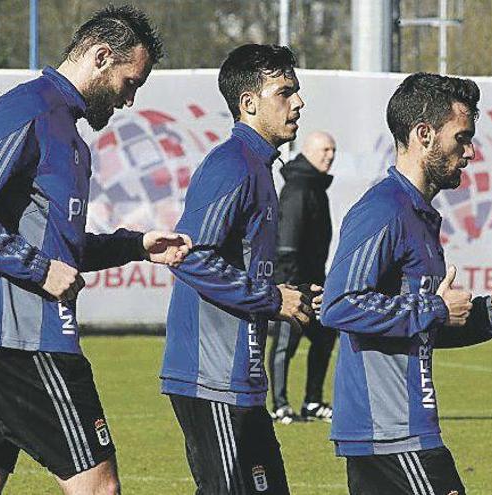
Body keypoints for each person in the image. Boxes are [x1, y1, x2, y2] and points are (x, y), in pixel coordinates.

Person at [0, 6, 190, 494]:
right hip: (29, 340)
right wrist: (36, 269)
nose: (130, 100)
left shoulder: (68, 133)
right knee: (98, 486)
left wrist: (136, 246)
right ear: (100, 56)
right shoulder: (29, 109)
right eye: (130, 82)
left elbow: (59, 250)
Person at [320, 73, 492, 495]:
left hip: (401, 430)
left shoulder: (418, 214)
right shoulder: (383, 209)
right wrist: (436, 308)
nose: (470, 151)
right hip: (390, 432)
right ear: (424, 134)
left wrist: (488, 314)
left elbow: (416, 329)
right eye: (462, 137)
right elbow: (339, 305)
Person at [161, 44, 313, 495]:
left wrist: (284, 293)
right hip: (210, 380)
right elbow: (189, 257)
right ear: (248, 103)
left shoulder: (261, 168)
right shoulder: (232, 164)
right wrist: (271, 299)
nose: (299, 102)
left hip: (239, 381)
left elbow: (234, 264)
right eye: (285, 92)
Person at [268, 131, 337, 423]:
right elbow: (288, 244)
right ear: (308, 151)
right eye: (324, 149)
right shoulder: (298, 188)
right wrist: (289, 287)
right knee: (286, 341)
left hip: (314, 281)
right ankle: (280, 405)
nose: (330, 155)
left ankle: (312, 402)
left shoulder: (315, 186)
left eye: (333, 150)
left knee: (324, 337)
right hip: (294, 283)